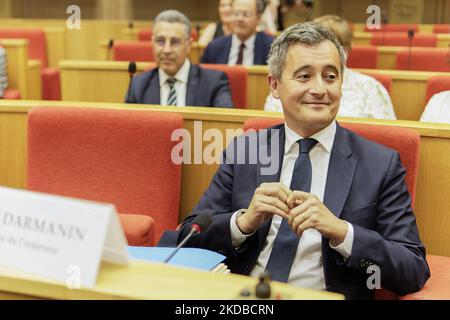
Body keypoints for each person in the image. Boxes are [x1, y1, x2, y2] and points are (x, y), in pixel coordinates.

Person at [167, 22, 429, 300]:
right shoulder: (246, 150)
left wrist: (343, 233)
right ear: (275, 85)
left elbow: (412, 269)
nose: (319, 89)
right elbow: (188, 237)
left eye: (330, 77)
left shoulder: (380, 164)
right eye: (304, 76)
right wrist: (243, 223)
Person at [265, 15, 397, 120]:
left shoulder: (370, 87)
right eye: (305, 76)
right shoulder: (285, 86)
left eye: (338, 45)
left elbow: (385, 133)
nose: (319, 90)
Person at [126, 10, 233, 108]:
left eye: (175, 42)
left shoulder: (214, 82)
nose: (167, 50)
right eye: (160, 41)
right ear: (152, 43)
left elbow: (225, 124)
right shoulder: (137, 85)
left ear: (189, 45)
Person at [200, 0, 274, 66]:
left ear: (259, 18)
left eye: (246, 14)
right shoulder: (214, 47)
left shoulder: (271, 48)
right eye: (236, 13)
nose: (240, 19)